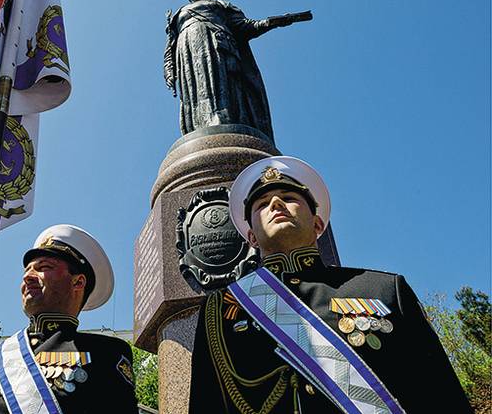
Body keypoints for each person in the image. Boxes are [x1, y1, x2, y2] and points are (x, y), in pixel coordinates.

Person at [189, 156, 471, 413]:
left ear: (318, 224)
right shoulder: (220, 310)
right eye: (262, 204)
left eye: (288, 197)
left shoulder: (383, 290)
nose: (275, 204)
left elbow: (440, 395)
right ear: (251, 238)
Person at [0, 224, 139, 413]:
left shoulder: (105, 352)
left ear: (78, 282)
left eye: (43, 267)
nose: (28, 277)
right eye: (26, 271)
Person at [164, 0, 307, 141]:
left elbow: (246, 26)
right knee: (195, 93)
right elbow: (170, 49)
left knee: (221, 87)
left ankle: (224, 123)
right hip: (187, 52)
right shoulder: (177, 15)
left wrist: (271, 23)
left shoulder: (220, 5)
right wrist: (169, 71)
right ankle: (199, 128)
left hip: (217, 47)